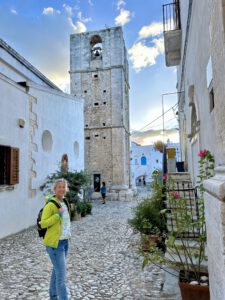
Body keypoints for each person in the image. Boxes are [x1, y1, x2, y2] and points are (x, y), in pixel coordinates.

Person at [40, 178, 71, 300]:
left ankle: (53, 296)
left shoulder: (65, 202)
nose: (62, 189)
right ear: (55, 189)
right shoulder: (51, 205)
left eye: (64, 187)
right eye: (59, 187)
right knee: (61, 278)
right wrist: (58, 215)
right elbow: (43, 223)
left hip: (65, 242)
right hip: (55, 245)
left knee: (56, 271)